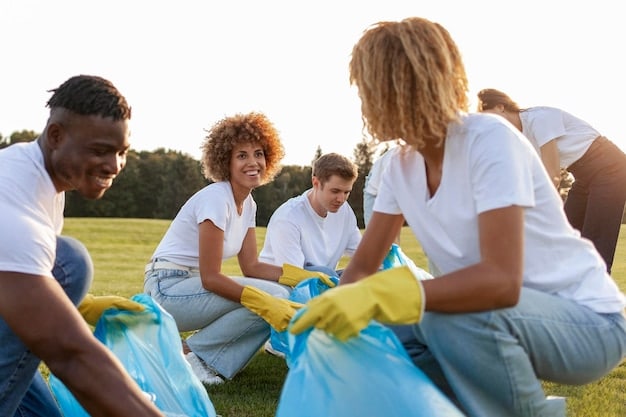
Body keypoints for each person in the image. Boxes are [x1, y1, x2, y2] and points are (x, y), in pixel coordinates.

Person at [290, 17, 626, 417]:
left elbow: (500, 283)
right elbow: (362, 268)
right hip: (503, 319)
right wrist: (313, 310)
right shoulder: (398, 167)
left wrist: (394, 294)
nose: (371, 100)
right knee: (385, 332)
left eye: (380, 86)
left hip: (590, 324)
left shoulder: (490, 139)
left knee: (446, 314)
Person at [0, 75, 164, 416]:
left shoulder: (41, 182)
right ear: (56, 136)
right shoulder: (14, 202)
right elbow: (69, 354)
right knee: (70, 263)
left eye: (122, 152)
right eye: (100, 150)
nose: (114, 165)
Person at [144, 112, 311, 385]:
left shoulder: (249, 204)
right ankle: (194, 355)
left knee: (277, 294)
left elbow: (253, 267)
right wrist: (261, 299)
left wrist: (300, 276)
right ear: (226, 162)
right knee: (270, 298)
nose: (253, 162)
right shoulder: (216, 198)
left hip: (191, 287)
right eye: (242, 155)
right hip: (166, 288)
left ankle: (196, 355)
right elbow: (212, 277)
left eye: (258, 153)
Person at [477, 89, 626, 273]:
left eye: (489, 117)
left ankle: (598, 299)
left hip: (610, 168)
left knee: (595, 246)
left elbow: (552, 174)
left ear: (500, 107)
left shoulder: (539, 118)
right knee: (564, 238)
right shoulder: (520, 138)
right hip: (583, 176)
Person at [259, 152, 361, 277]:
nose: (341, 199)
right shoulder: (288, 217)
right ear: (316, 183)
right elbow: (295, 276)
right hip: (282, 286)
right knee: (328, 274)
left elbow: (363, 254)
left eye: (346, 192)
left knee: (371, 274)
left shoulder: (344, 211)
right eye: (335, 191)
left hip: (323, 280)